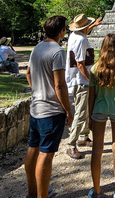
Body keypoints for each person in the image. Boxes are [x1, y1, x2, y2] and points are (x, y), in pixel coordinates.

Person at [24, 15, 74, 198]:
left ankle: (32, 192)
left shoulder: (37, 48)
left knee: (33, 148)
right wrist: (68, 110)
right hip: (51, 111)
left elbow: (28, 73)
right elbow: (59, 85)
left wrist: (37, 90)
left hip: (36, 108)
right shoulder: (58, 51)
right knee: (46, 154)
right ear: (61, 31)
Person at [88, 34, 115, 198]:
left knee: (97, 149)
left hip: (98, 109)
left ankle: (97, 190)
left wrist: (88, 116)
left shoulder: (95, 68)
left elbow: (91, 96)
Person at [65, 13, 102, 159]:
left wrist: (93, 26)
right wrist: (90, 79)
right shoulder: (80, 40)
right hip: (81, 81)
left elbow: (84, 31)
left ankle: (83, 136)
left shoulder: (74, 35)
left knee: (86, 110)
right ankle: (71, 144)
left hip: (77, 79)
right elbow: (80, 64)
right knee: (81, 113)